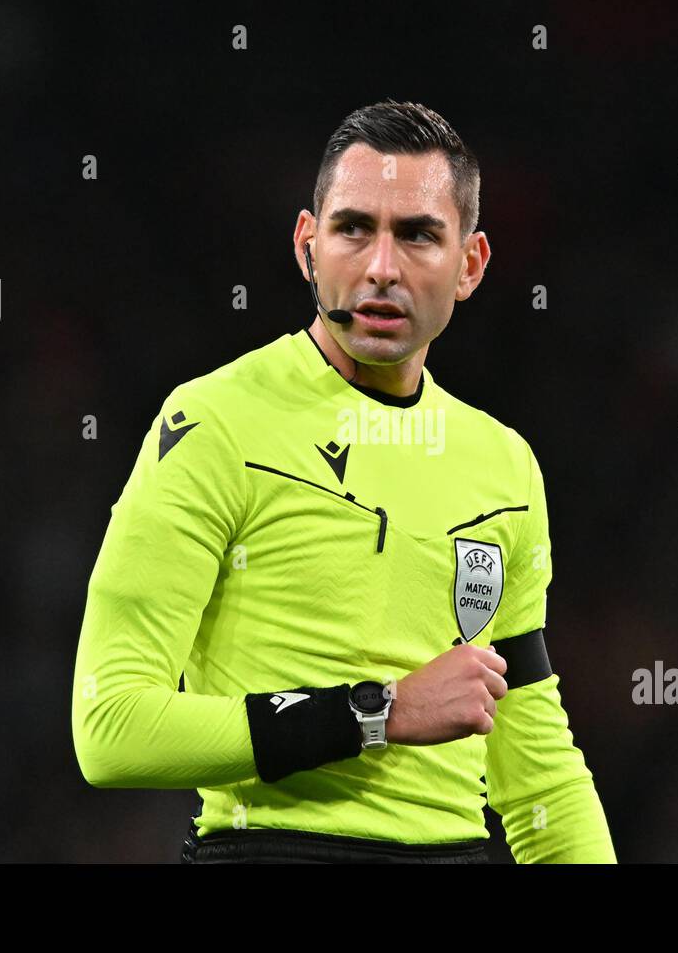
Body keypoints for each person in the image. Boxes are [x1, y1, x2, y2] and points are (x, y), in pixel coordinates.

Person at [71, 99, 616, 863]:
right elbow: (111, 728)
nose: (381, 267)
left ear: (470, 265)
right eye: (354, 228)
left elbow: (538, 777)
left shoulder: (505, 466)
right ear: (308, 245)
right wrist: (380, 712)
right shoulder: (214, 423)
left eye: (419, 234)